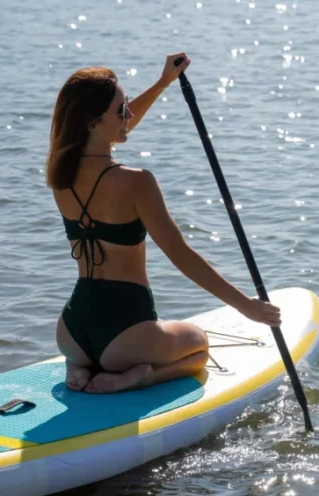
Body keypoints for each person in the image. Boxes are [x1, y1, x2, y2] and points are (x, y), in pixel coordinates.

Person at [46, 53, 281, 394]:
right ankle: (138, 376)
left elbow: (116, 131)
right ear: (94, 122)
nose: (128, 115)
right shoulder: (136, 182)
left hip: (71, 331)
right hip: (125, 332)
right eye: (120, 110)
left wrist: (162, 84)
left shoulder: (60, 175)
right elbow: (179, 254)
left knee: (107, 348)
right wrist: (246, 306)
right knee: (199, 346)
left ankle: (82, 366)